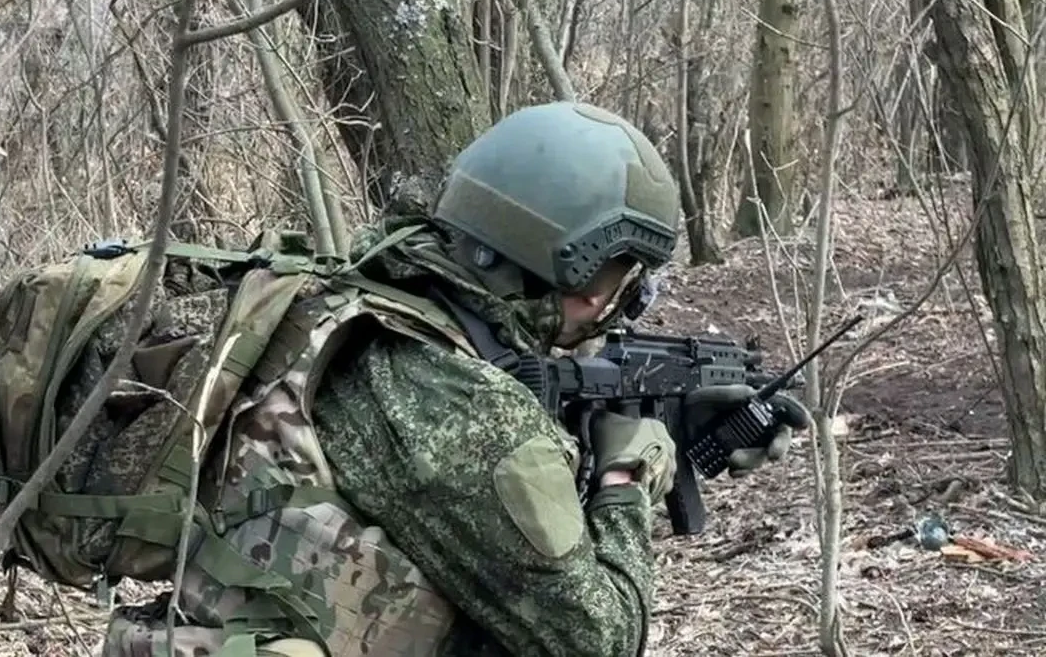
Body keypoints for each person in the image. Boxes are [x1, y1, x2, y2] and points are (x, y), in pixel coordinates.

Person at [100, 101, 809, 657]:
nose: (621, 304)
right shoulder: (464, 409)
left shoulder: (357, 311)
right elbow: (597, 638)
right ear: (579, 268)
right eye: (623, 278)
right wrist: (627, 480)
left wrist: (681, 434)